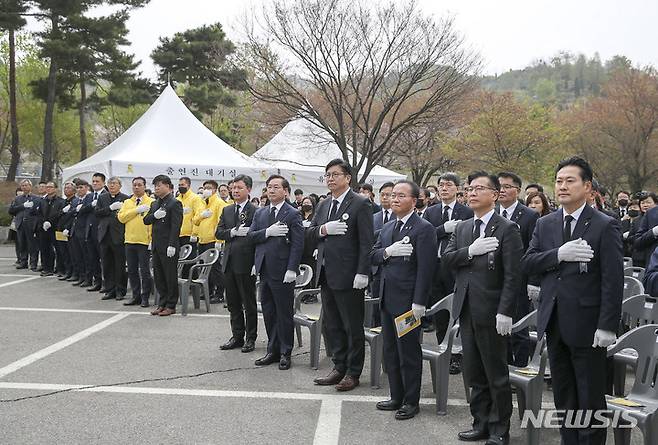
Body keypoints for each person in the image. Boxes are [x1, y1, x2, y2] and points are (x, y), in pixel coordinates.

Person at [521, 156, 623, 445]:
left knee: (590, 398)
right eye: (558, 181)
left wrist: (607, 326)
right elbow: (527, 263)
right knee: (564, 395)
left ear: (588, 187)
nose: (562, 186)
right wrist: (558, 255)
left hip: (588, 325)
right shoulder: (546, 223)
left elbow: (613, 280)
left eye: (570, 181)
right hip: (554, 321)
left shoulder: (605, 225)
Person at [442, 171, 523, 445]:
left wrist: (506, 310)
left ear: (495, 195)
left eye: (479, 188)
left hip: (493, 310)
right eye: (469, 188)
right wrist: (470, 251)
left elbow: (514, 274)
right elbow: (448, 259)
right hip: (466, 308)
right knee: (474, 371)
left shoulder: (506, 228)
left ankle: (500, 428)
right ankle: (480, 422)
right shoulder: (464, 228)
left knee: (495, 373)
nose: (472, 193)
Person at [370, 180, 437, 420]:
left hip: (409, 303)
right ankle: (396, 395)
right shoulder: (388, 227)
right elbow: (373, 255)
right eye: (392, 196)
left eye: (400, 195)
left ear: (415, 200)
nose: (394, 199)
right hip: (388, 299)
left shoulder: (423, 228)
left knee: (408, 352)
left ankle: (411, 400)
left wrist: (419, 301)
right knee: (390, 351)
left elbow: (427, 268)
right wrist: (388, 252)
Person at [310, 159, 374, 391]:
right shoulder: (324, 204)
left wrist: (362, 272)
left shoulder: (360, 203)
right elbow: (310, 232)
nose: (330, 179)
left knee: (351, 325)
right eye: (327, 175)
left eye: (335, 174)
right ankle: (339, 365)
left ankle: (353, 371)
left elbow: (367, 242)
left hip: (349, 275)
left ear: (347, 178)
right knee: (332, 324)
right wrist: (324, 230)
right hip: (327, 272)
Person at [248, 175, 304, 370]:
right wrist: (267, 232)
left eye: (276, 187)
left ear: (285, 191)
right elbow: (251, 237)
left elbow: (298, 245)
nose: (271, 190)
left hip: (282, 271)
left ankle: (285, 352)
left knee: (284, 313)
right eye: (269, 187)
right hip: (264, 269)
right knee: (269, 312)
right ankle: (272, 349)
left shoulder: (292, 213)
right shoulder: (261, 213)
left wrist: (292, 268)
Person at [422, 172, 473, 373]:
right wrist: (443, 228)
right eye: (441, 185)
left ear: (457, 189)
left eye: (449, 185)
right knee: (440, 311)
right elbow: (424, 237)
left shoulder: (466, 212)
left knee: (458, 310)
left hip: (457, 267)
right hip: (435, 266)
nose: (444, 188)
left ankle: (458, 354)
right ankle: (443, 348)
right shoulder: (431, 212)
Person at [497, 172, 539, 368]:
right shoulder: (492, 212)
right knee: (498, 328)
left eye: (507, 186)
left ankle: (520, 367)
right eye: (499, 187)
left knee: (518, 328)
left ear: (517, 190)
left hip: (520, 280)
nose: (502, 190)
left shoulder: (529, 215)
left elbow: (534, 249)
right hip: (495, 280)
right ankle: (503, 367)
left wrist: (533, 280)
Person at [216, 174, 258, 352]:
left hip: (246, 262)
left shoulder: (255, 210)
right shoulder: (227, 210)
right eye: (233, 187)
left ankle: (251, 338)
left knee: (248, 303)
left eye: (239, 187)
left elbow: (258, 235)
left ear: (248, 189)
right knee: (232, 303)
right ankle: (237, 335)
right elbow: (218, 232)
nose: (235, 191)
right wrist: (232, 232)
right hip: (229, 261)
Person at [144, 175, 183, 316]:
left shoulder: (175, 203)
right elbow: (146, 220)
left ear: (167, 186)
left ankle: (171, 305)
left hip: (168, 246)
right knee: (159, 276)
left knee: (169, 276)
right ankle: (162, 303)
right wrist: (155, 215)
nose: (156, 188)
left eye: (159, 185)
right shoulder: (155, 204)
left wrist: (172, 244)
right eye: (155, 186)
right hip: (156, 245)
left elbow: (176, 226)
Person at [117, 177, 154, 307]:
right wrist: (136, 210)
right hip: (129, 240)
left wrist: (151, 240)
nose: (136, 187)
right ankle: (136, 295)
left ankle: (145, 297)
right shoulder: (127, 202)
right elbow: (121, 218)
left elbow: (152, 223)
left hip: (144, 241)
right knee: (132, 270)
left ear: (144, 187)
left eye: (139, 185)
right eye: (134, 185)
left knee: (144, 271)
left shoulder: (151, 202)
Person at [193, 180, 228, 303]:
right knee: (205, 268)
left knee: (215, 268)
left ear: (214, 190)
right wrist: (202, 215)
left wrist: (219, 240)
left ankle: (220, 293)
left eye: (209, 188)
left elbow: (221, 222)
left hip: (213, 240)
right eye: (204, 187)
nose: (206, 190)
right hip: (202, 240)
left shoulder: (219, 203)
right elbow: (195, 220)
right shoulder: (202, 203)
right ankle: (209, 291)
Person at [95, 177, 130, 301]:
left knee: (120, 265)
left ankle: (120, 290)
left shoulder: (126, 198)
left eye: (114, 183)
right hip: (105, 234)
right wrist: (109, 208)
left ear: (120, 185)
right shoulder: (102, 198)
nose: (111, 185)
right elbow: (97, 212)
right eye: (110, 183)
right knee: (107, 264)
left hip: (119, 235)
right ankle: (110, 289)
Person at [9, 179, 39, 271]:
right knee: (22, 244)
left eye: (26, 185)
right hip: (20, 224)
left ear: (30, 186)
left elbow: (39, 212)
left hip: (31, 224)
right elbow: (11, 210)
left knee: (32, 245)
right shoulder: (18, 198)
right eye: (23, 185)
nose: (24, 187)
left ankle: (33, 263)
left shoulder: (36, 198)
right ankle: (23, 262)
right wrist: (22, 206)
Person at [36, 182, 65, 277]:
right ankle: (47, 268)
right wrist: (43, 222)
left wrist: (50, 222)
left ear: (55, 189)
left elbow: (60, 214)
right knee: (44, 249)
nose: (48, 189)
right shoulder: (42, 201)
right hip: (43, 228)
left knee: (59, 249)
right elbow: (39, 214)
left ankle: (60, 269)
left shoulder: (60, 201)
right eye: (47, 187)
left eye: (51, 187)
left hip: (55, 228)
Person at [176, 177, 204, 276]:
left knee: (190, 261)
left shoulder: (195, 198)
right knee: (180, 261)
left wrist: (195, 233)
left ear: (188, 185)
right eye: (179, 185)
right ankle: (183, 285)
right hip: (178, 235)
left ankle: (193, 285)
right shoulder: (177, 199)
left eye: (182, 185)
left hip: (190, 235)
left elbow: (198, 215)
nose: (180, 187)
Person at [68, 180, 93, 286]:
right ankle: (81, 276)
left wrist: (80, 209)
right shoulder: (75, 200)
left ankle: (88, 278)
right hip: (75, 230)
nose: (79, 190)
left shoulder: (89, 198)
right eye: (77, 188)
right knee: (78, 256)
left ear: (87, 187)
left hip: (84, 230)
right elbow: (70, 213)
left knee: (86, 256)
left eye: (81, 187)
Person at [628, 192, 658, 267]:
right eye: (643, 203)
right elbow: (637, 242)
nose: (645, 205)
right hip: (650, 263)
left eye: (648, 202)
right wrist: (654, 232)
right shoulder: (650, 214)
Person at [56, 182, 77, 280]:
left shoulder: (75, 201)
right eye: (65, 188)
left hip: (69, 230)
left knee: (71, 252)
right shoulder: (62, 202)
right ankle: (66, 271)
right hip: (60, 229)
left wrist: (68, 228)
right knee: (63, 252)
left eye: (68, 188)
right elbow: (57, 214)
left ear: (74, 190)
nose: (66, 189)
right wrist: (62, 211)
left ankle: (73, 272)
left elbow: (73, 216)